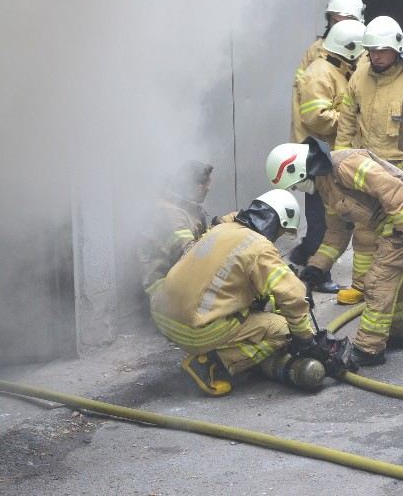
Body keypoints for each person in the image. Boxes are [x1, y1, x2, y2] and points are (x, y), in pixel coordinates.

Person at [150, 190, 353, 396]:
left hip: (164, 319)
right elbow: (293, 296)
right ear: (277, 222)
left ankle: (216, 348)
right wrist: (305, 340)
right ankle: (212, 363)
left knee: (260, 310)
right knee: (284, 330)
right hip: (195, 330)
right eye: (282, 231)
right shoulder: (259, 247)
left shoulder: (222, 229)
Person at [267, 138, 403, 367]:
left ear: (298, 171)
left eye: (295, 186)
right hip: (395, 222)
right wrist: (316, 268)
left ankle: (369, 349)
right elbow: (337, 233)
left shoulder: (345, 165)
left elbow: (392, 188)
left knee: (378, 283)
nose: (298, 191)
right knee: (392, 281)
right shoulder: (325, 186)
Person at [334, 15, 403, 305]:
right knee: (363, 232)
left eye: (382, 51)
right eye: (372, 51)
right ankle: (360, 286)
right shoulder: (360, 76)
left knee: (395, 238)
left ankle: (392, 288)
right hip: (365, 170)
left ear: (397, 49)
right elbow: (347, 119)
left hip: (402, 173)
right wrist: (340, 159)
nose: (376, 56)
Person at [288, 0, 365, 275]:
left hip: (331, 144)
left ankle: (310, 253)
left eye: (345, 18)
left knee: (329, 206)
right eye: (336, 18)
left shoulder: (352, 51)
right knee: (321, 208)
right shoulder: (320, 58)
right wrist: (351, 121)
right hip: (317, 144)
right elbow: (312, 109)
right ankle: (314, 265)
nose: (339, 22)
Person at [138, 160, 213, 300]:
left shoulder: (187, 208)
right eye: (207, 185)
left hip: (176, 283)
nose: (209, 189)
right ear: (198, 187)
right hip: (162, 295)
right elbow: (192, 256)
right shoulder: (171, 214)